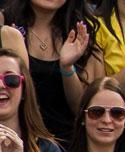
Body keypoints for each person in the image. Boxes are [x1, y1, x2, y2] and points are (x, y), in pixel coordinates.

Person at [7, 0, 98, 140]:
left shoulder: (80, 30)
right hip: (16, 137)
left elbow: (80, 107)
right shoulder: (6, 26)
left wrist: (67, 67)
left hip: (66, 141)